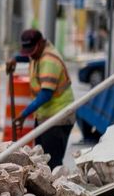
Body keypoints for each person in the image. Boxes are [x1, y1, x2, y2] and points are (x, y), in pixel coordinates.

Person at [6, 29, 74, 168]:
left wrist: (24, 114)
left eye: (32, 50)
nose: (31, 54)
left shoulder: (49, 61)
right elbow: (27, 56)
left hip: (58, 118)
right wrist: (15, 58)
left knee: (51, 164)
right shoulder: (37, 53)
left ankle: (56, 189)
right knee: (41, 162)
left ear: (41, 43)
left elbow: (46, 94)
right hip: (45, 116)